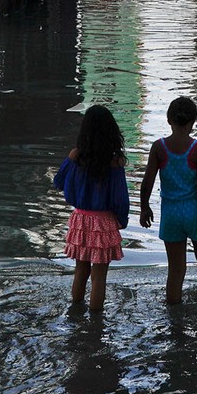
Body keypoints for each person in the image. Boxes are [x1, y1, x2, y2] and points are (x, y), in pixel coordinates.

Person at [139, 97, 197, 304]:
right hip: (195, 213)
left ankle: (173, 313)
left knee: (176, 269)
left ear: (168, 120)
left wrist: (145, 207)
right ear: (193, 122)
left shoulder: (159, 148)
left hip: (171, 215)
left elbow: (147, 181)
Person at [53, 105, 130, 312]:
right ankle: (96, 323)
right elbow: (120, 198)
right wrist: (121, 220)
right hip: (103, 223)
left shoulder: (76, 156)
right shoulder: (115, 162)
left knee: (81, 271)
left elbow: (58, 182)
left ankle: (75, 311)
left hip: (80, 221)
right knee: (99, 277)